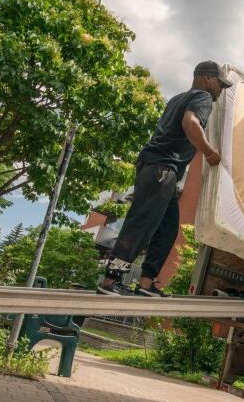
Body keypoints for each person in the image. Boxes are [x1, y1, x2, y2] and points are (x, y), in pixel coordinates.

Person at [97, 61, 233, 297]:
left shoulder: (178, 98)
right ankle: (110, 281)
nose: (221, 90)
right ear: (206, 78)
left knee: (168, 228)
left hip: (160, 170)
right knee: (140, 225)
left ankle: (147, 284)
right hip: (161, 168)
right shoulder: (202, 97)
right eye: (220, 84)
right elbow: (190, 123)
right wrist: (210, 153)